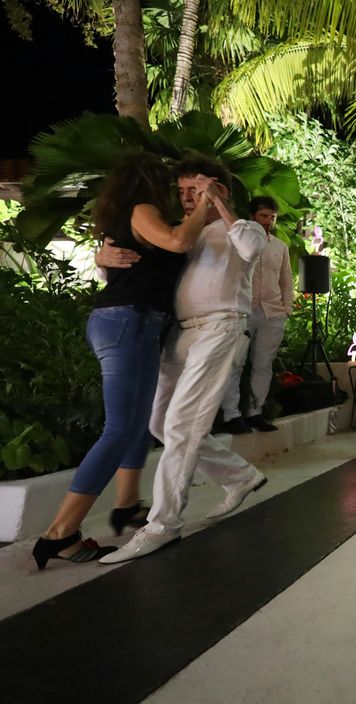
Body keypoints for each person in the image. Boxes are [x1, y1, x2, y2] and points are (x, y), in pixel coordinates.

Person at [32, 154, 203, 569]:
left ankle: (126, 505)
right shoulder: (143, 210)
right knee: (120, 429)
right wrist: (202, 208)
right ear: (150, 182)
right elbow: (179, 242)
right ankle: (60, 533)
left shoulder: (129, 217)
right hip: (129, 322)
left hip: (131, 323)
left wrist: (101, 256)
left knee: (134, 425)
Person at [101, 154, 269, 564]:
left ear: (219, 190)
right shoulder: (183, 233)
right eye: (182, 192)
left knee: (181, 424)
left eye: (196, 189)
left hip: (221, 327)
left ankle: (163, 525)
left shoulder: (239, 229)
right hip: (180, 332)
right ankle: (241, 476)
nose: (188, 198)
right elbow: (139, 266)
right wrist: (102, 257)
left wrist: (221, 204)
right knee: (159, 422)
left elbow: (251, 246)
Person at [217, 196, 293, 434]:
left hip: (273, 312)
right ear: (252, 216)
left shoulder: (280, 246)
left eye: (272, 217)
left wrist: (286, 308)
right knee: (235, 363)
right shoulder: (238, 242)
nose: (269, 221)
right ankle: (231, 415)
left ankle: (255, 413)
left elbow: (286, 281)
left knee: (263, 364)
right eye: (264, 216)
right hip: (243, 310)